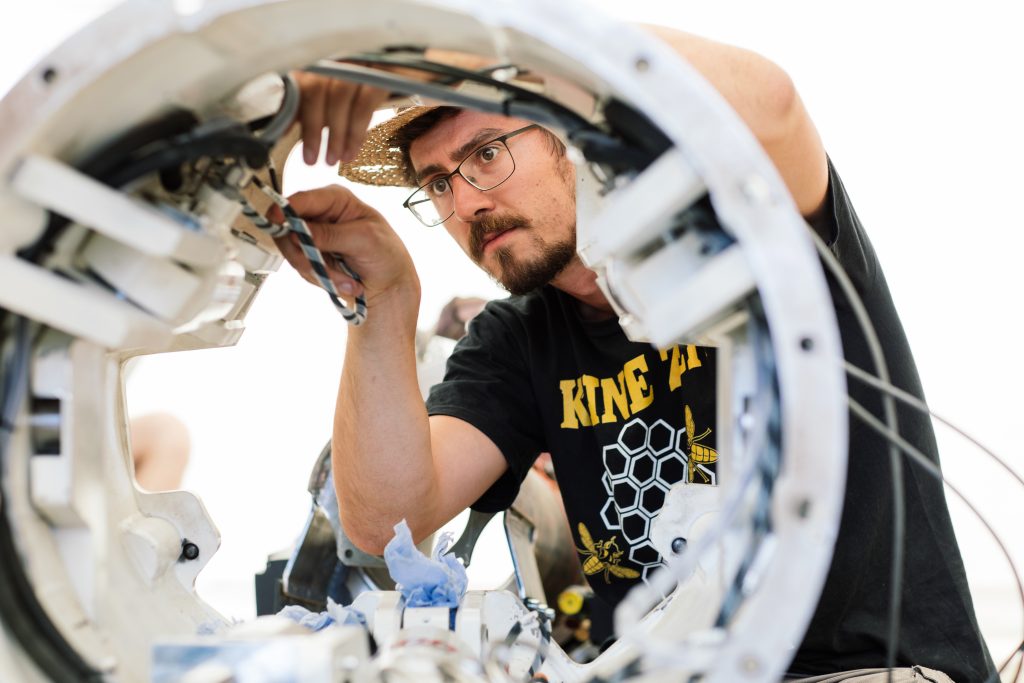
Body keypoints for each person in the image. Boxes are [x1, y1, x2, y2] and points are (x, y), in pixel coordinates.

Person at [272, 26, 994, 682]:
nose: (465, 206)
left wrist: (486, 40)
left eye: (485, 154)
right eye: (437, 183)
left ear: (570, 134)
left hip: (870, 670)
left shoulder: (744, 236)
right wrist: (381, 305)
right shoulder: (519, 337)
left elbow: (772, 104)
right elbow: (387, 521)